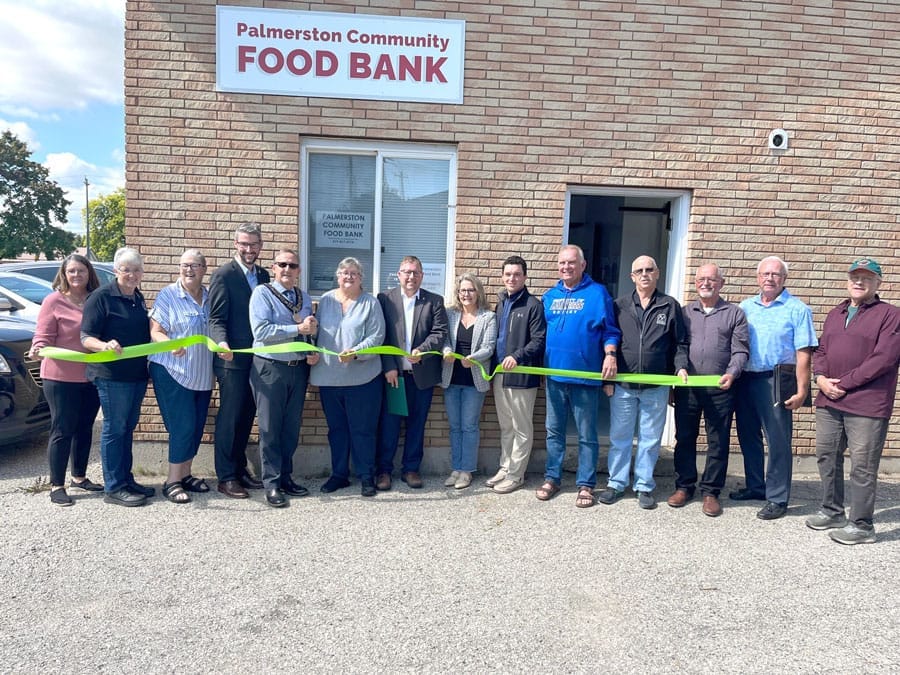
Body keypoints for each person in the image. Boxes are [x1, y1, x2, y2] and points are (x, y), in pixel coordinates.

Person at [806, 258, 900, 544]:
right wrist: (820, 378)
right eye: (854, 277)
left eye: (866, 278)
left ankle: (861, 525)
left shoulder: (891, 315)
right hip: (829, 400)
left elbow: (884, 359)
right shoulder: (837, 312)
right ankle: (832, 511)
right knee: (826, 456)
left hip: (867, 405)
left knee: (862, 465)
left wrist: (843, 384)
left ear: (878, 283)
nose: (859, 282)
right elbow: (821, 350)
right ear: (848, 281)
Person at [599, 255, 689, 510]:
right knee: (620, 437)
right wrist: (606, 380)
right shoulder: (618, 306)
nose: (644, 274)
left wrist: (680, 368)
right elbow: (608, 339)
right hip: (623, 385)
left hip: (655, 387)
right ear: (632, 276)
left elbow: (680, 343)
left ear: (657, 273)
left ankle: (644, 486)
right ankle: (616, 483)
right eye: (639, 270)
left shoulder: (669, 306)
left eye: (649, 269)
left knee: (650, 439)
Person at [731, 256, 817, 520]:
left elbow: (804, 353)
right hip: (746, 379)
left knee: (778, 440)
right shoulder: (744, 307)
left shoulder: (797, 309)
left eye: (775, 274)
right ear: (758, 277)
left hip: (777, 379)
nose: (769, 278)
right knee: (748, 435)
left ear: (784, 279)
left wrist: (802, 390)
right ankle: (756, 486)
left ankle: (778, 498)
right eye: (765, 273)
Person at [537, 245, 620, 508]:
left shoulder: (598, 294)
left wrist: (610, 354)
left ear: (583, 265)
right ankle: (553, 477)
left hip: (585, 378)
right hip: (554, 377)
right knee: (554, 432)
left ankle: (586, 484)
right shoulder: (549, 296)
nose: (566, 267)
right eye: (562, 263)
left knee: (586, 434)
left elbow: (611, 330)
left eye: (571, 263)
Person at [668, 263, 749, 517]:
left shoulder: (734, 313)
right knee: (684, 438)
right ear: (695, 282)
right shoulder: (684, 312)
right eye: (702, 279)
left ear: (721, 283)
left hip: (721, 387)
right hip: (688, 387)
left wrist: (732, 373)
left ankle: (711, 491)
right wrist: (679, 368)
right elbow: (679, 345)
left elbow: (740, 350)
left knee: (718, 441)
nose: (706, 283)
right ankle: (684, 486)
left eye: (712, 279)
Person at [81, 247, 153, 507]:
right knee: (115, 428)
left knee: (127, 428)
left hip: (136, 375)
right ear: (115, 270)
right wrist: (104, 346)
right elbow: (86, 337)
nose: (132, 275)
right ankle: (113, 487)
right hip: (112, 377)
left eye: (136, 270)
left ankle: (126, 479)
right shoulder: (100, 297)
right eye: (126, 270)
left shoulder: (137, 297)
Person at [28, 255, 103, 507]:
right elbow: (43, 335)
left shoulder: (95, 299)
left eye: (80, 270)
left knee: (84, 428)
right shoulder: (54, 301)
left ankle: (79, 477)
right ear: (64, 274)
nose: (76, 275)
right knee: (62, 429)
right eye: (71, 271)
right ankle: (56, 485)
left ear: (88, 273)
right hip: (60, 377)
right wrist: (38, 348)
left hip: (91, 376)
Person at [248, 249, 319, 507]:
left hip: (297, 368)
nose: (287, 269)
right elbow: (262, 331)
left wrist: (310, 348)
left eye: (293, 265)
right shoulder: (262, 294)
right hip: (270, 368)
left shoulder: (304, 297)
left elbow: (309, 331)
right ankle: (272, 484)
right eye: (282, 264)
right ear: (273, 267)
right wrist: (297, 328)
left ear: (299, 270)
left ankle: (286, 477)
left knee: (290, 428)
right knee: (269, 428)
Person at [310, 257, 385, 498]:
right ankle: (339, 475)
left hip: (362, 379)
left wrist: (356, 353)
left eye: (354, 273)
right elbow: (316, 333)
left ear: (361, 277)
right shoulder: (326, 300)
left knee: (363, 430)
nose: (348, 277)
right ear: (337, 276)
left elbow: (376, 337)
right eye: (344, 273)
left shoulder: (370, 303)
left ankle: (366, 476)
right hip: (329, 379)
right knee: (337, 430)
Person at [375, 255, 448, 490]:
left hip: (421, 376)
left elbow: (439, 332)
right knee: (390, 425)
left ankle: (411, 469)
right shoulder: (385, 299)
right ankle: (384, 471)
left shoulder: (434, 301)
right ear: (398, 274)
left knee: (417, 424)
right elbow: (381, 336)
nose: (411, 276)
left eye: (415, 272)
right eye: (406, 272)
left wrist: (422, 349)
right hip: (394, 376)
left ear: (422, 276)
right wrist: (389, 367)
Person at [208, 222, 269, 499]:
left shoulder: (265, 274)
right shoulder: (224, 275)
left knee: (247, 416)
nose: (249, 249)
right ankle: (226, 476)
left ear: (260, 246)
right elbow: (216, 318)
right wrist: (222, 343)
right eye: (244, 244)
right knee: (230, 417)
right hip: (231, 360)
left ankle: (240, 468)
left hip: (258, 359)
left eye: (253, 244)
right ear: (236, 244)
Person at [148, 250, 214, 504]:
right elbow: (156, 330)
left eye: (194, 265)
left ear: (203, 269)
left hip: (202, 373)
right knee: (182, 426)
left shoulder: (209, 297)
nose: (189, 270)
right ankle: (172, 481)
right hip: (173, 371)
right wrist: (168, 344)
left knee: (196, 427)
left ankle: (186, 474)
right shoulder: (168, 294)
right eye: (184, 265)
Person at [485, 255, 546, 494]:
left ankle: (516, 475)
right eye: (508, 274)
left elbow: (539, 340)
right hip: (500, 374)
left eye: (517, 274)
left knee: (521, 426)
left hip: (522, 375)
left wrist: (518, 356)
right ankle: (505, 466)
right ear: (502, 276)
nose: (512, 278)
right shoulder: (501, 303)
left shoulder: (532, 305)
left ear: (524, 277)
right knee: (506, 425)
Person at [440, 273, 498, 490]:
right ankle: (456, 468)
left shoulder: (488, 317)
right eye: (463, 290)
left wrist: (473, 359)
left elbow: (489, 346)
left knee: (469, 426)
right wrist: (446, 351)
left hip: (474, 380)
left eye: (471, 290)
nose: (466, 294)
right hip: (451, 378)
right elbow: (445, 340)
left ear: (478, 292)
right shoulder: (450, 314)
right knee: (455, 426)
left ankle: (467, 471)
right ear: (458, 293)